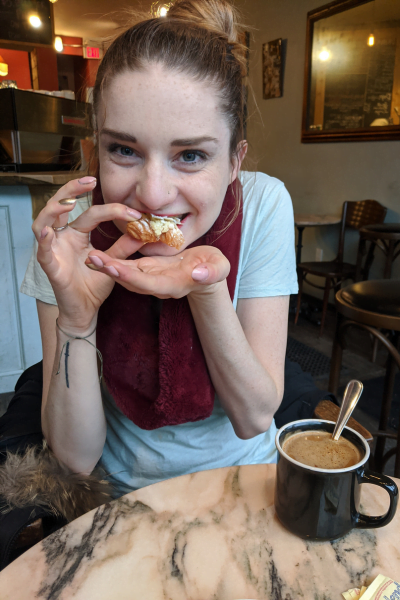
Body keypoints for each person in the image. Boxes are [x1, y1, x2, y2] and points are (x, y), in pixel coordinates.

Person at [17, 0, 298, 499]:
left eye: (190, 155)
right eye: (123, 150)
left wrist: (204, 287)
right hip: (121, 492)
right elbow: (75, 458)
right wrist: (76, 321)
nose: (152, 193)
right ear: (96, 147)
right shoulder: (69, 233)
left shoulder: (262, 203)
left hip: (244, 483)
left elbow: (254, 417)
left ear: (235, 160)